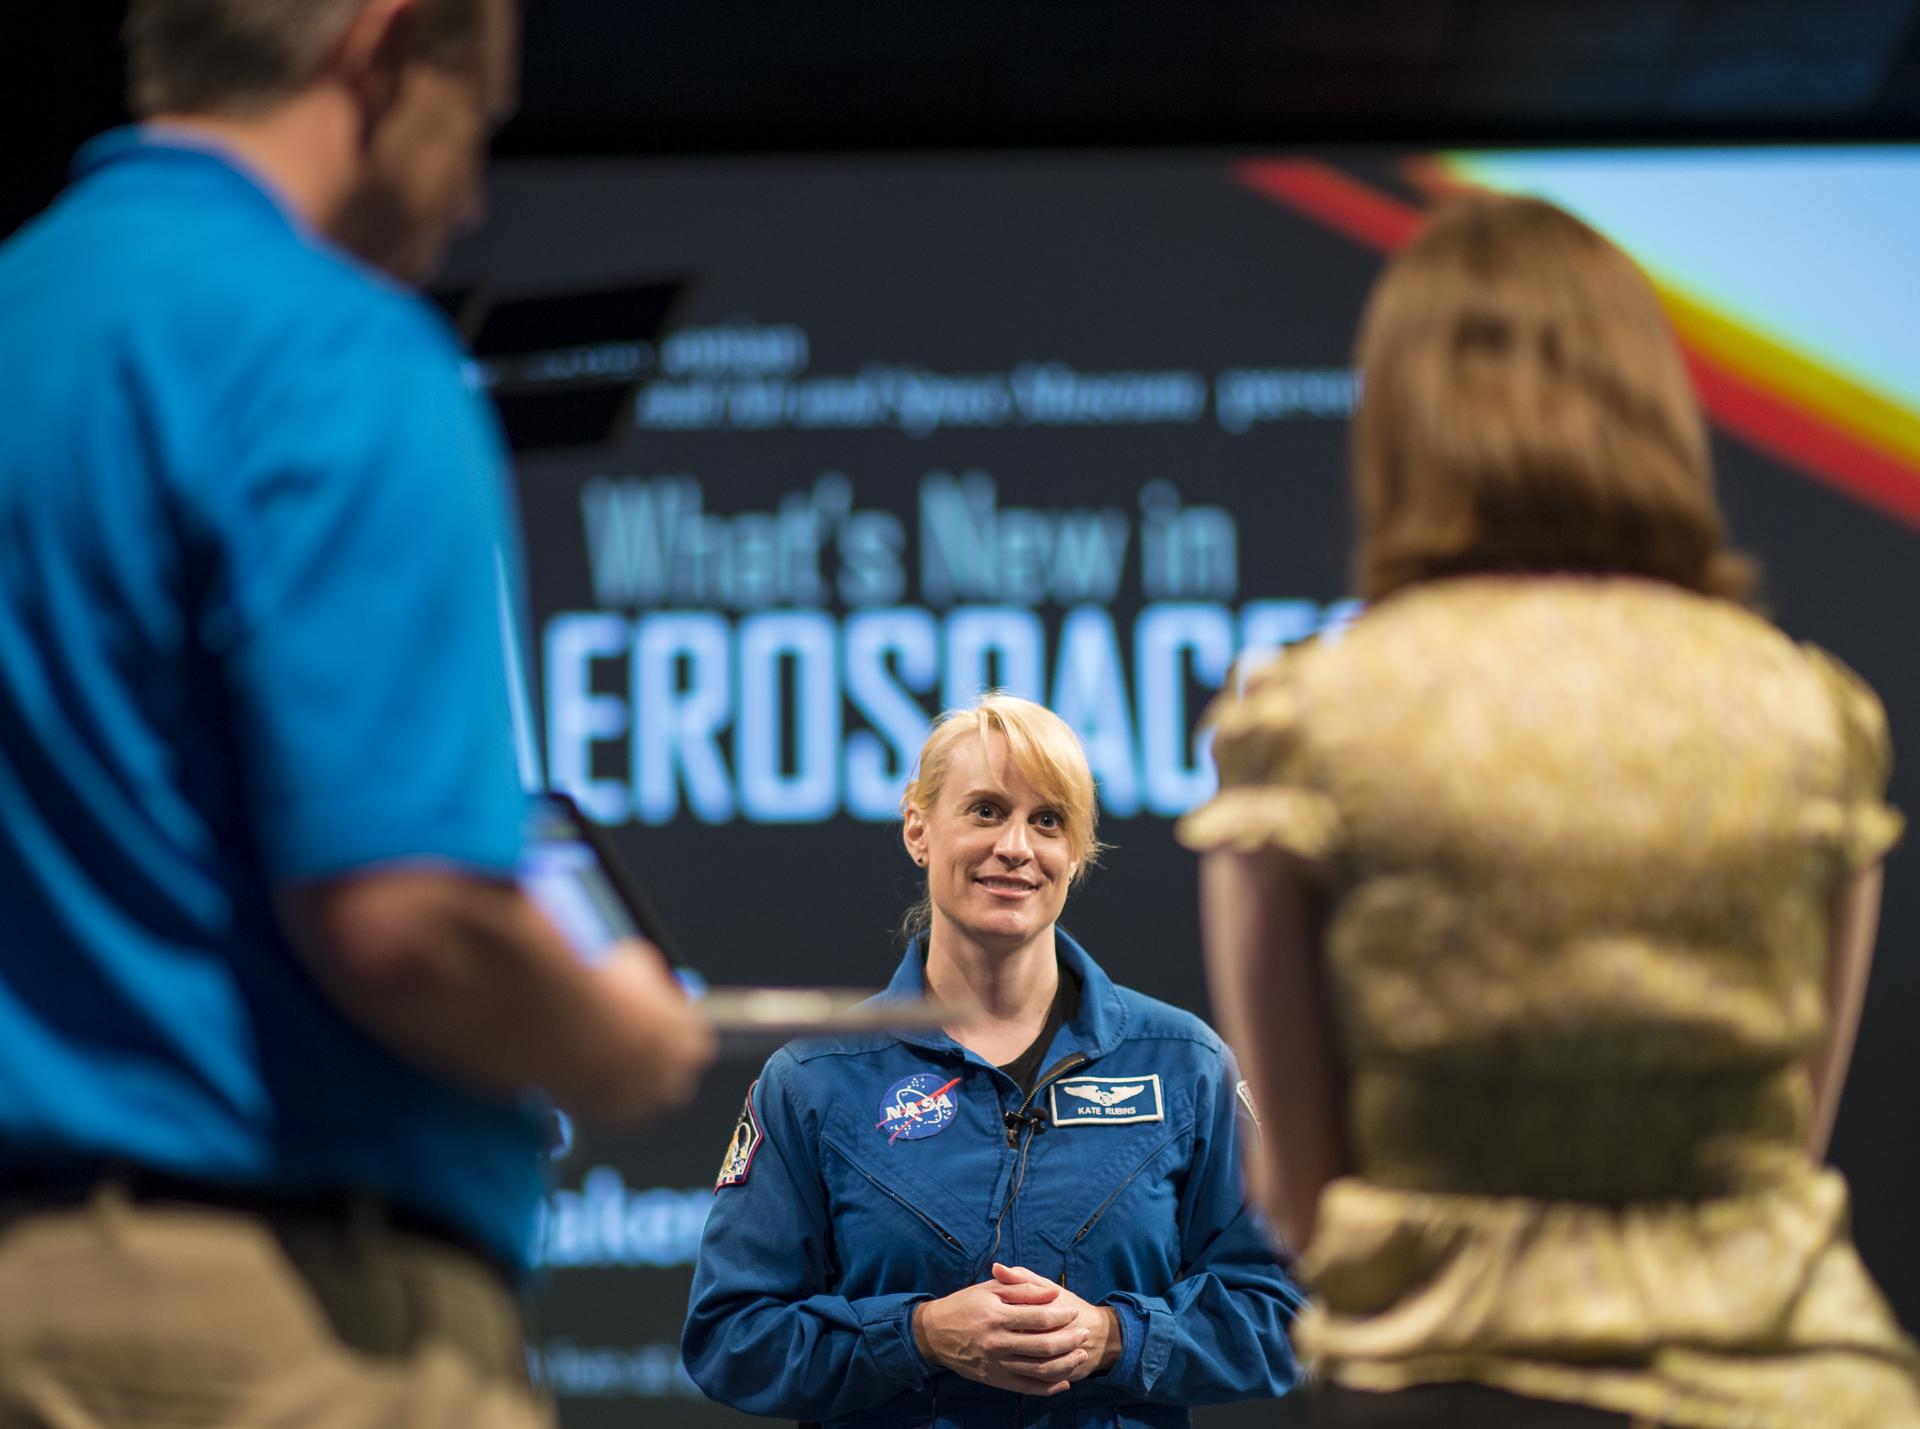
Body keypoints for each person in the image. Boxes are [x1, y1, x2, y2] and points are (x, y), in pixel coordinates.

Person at [0, 1, 712, 1424]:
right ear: (381, 54)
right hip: (274, 1330)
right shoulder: (335, 351)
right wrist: (613, 1038)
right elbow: (407, 923)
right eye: (478, 121)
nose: (473, 194)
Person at [1183, 193, 1920, 1427]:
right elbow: (1791, 1151)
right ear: (1652, 410)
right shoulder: (1813, 714)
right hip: (1807, 1390)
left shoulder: (1304, 724)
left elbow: (1303, 1207)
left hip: (1449, 1387)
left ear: (1405, 425)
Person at [683, 694, 1304, 1427]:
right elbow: (730, 1336)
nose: (1016, 845)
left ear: (1077, 851)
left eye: (1048, 820)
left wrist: (1114, 1338)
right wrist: (918, 1335)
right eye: (984, 810)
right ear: (918, 828)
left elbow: (1285, 1312)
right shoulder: (815, 1077)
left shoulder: (1183, 1064)